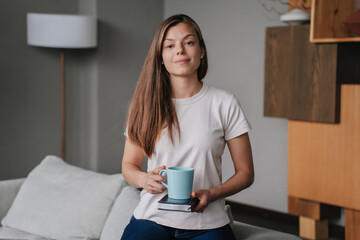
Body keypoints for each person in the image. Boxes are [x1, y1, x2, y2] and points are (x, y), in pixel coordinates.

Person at [121, 14, 254, 240]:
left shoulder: (224, 103)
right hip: (152, 219)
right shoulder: (145, 105)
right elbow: (128, 166)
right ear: (161, 57)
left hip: (208, 222)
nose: (180, 50)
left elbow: (246, 173)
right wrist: (143, 179)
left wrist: (212, 194)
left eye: (188, 42)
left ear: (201, 50)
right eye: (170, 46)